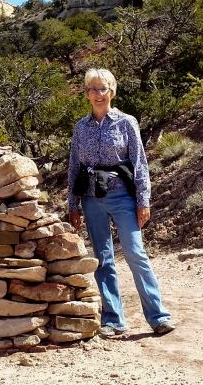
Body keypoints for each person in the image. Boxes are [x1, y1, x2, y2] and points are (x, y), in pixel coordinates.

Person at [67, 68, 175, 336]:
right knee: (103, 258)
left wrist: (143, 200)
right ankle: (113, 320)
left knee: (135, 253)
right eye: (92, 89)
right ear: (86, 94)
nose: (97, 94)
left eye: (102, 88)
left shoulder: (126, 122)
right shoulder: (80, 128)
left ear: (112, 91)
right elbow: (73, 167)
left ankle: (158, 316)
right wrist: (73, 204)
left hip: (121, 196)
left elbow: (140, 164)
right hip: (91, 199)